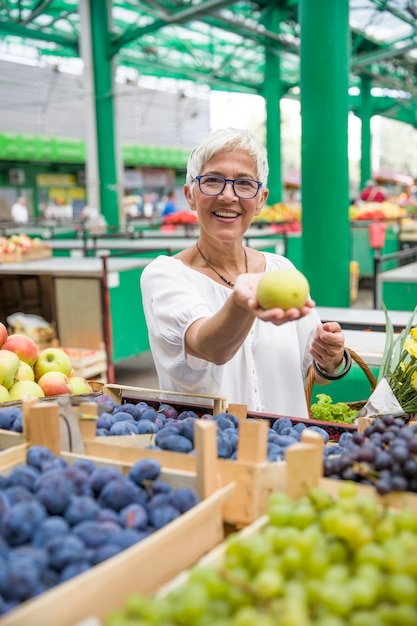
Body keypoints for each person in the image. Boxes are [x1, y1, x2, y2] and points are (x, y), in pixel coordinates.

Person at [140, 128, 348, 418]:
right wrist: (241, 303)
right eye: (212, 180)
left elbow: (317, 372)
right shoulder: (165, 275)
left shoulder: (281, 270)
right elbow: (210, 347)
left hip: (288, 452)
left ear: (261, 200)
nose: (228, 196)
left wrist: (330, 356)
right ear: (190, 195)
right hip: (211, 455)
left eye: (244, 184)